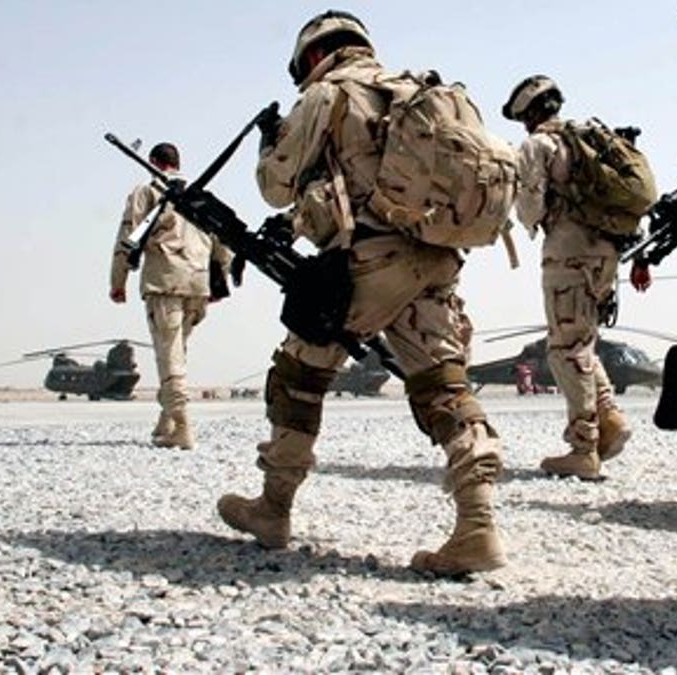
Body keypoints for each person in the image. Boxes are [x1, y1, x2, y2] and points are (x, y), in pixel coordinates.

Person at [215, 10, 506, 576]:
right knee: (444, 384)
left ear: (313, 56)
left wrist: (269, 146)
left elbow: (275, 187)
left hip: (367, 263)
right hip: (434, 257)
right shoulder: (418, 91)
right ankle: (477, 526)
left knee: (298, 376)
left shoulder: (328, 94)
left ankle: (273, 508)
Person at [502, 75, 633, 481]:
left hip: (568, 251)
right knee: (584, 339)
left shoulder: (538, 145)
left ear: (528, 115)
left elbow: (529, 208)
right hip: (606, 254)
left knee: (564, 348)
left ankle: (583, 448)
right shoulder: (589, 139)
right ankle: (609, 418)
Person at [110, 142, 231, 449]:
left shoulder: (147, 192)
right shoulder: (199, 196)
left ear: (153, 162)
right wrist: (218, 284)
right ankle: (166, 422)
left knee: (169, 356)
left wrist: (118, 280)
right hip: (198, 283)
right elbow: (223, 245)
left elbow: (127, 237)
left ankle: (184, 428)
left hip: (165, 282)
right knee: (177, 353)